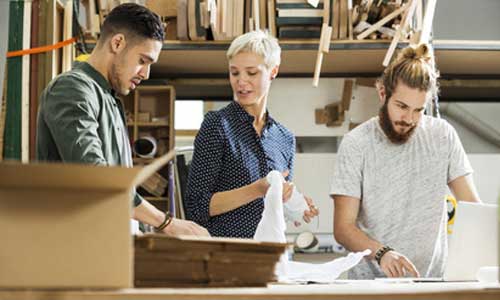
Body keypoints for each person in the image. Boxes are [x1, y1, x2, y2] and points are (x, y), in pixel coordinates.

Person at [36, 3, 209, 237]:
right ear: (117, 43)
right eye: (143, 60)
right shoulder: (71, 89)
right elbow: (96, 177)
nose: (145, 74)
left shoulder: (110, 99)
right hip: (73, 247)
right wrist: (165, 222)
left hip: (106, 246)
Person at [330, 44, 481, 279]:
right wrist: (382, 253)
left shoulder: (443, 136)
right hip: (371, 288)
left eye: (418, 110)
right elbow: (343, 228)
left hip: (431, 283)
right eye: (401, 106)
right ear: (382, 94)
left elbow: (473, 207)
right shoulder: (356, 144)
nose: (408, 119)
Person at [185, 30, 318, 238]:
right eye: (235, 72)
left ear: (273, 71)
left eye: (252, 73)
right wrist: (257, 189)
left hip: (271, 256)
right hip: (225, 256)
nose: (241, 81)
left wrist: (295, 206)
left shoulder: (284, 138)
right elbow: (195, 207)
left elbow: (274, 208)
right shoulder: (217, 126)